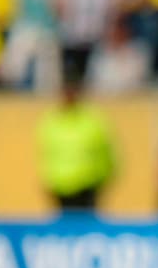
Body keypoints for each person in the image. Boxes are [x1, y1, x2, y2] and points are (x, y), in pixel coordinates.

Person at [36, 72, 117, 210]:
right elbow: (46, 154)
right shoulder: (51, 121)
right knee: (65, 227)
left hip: (88, 184)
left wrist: (104, 178)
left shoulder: (92, 119)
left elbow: (106, 152)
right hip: (60, 186)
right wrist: (47, 180)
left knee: (86, 226)